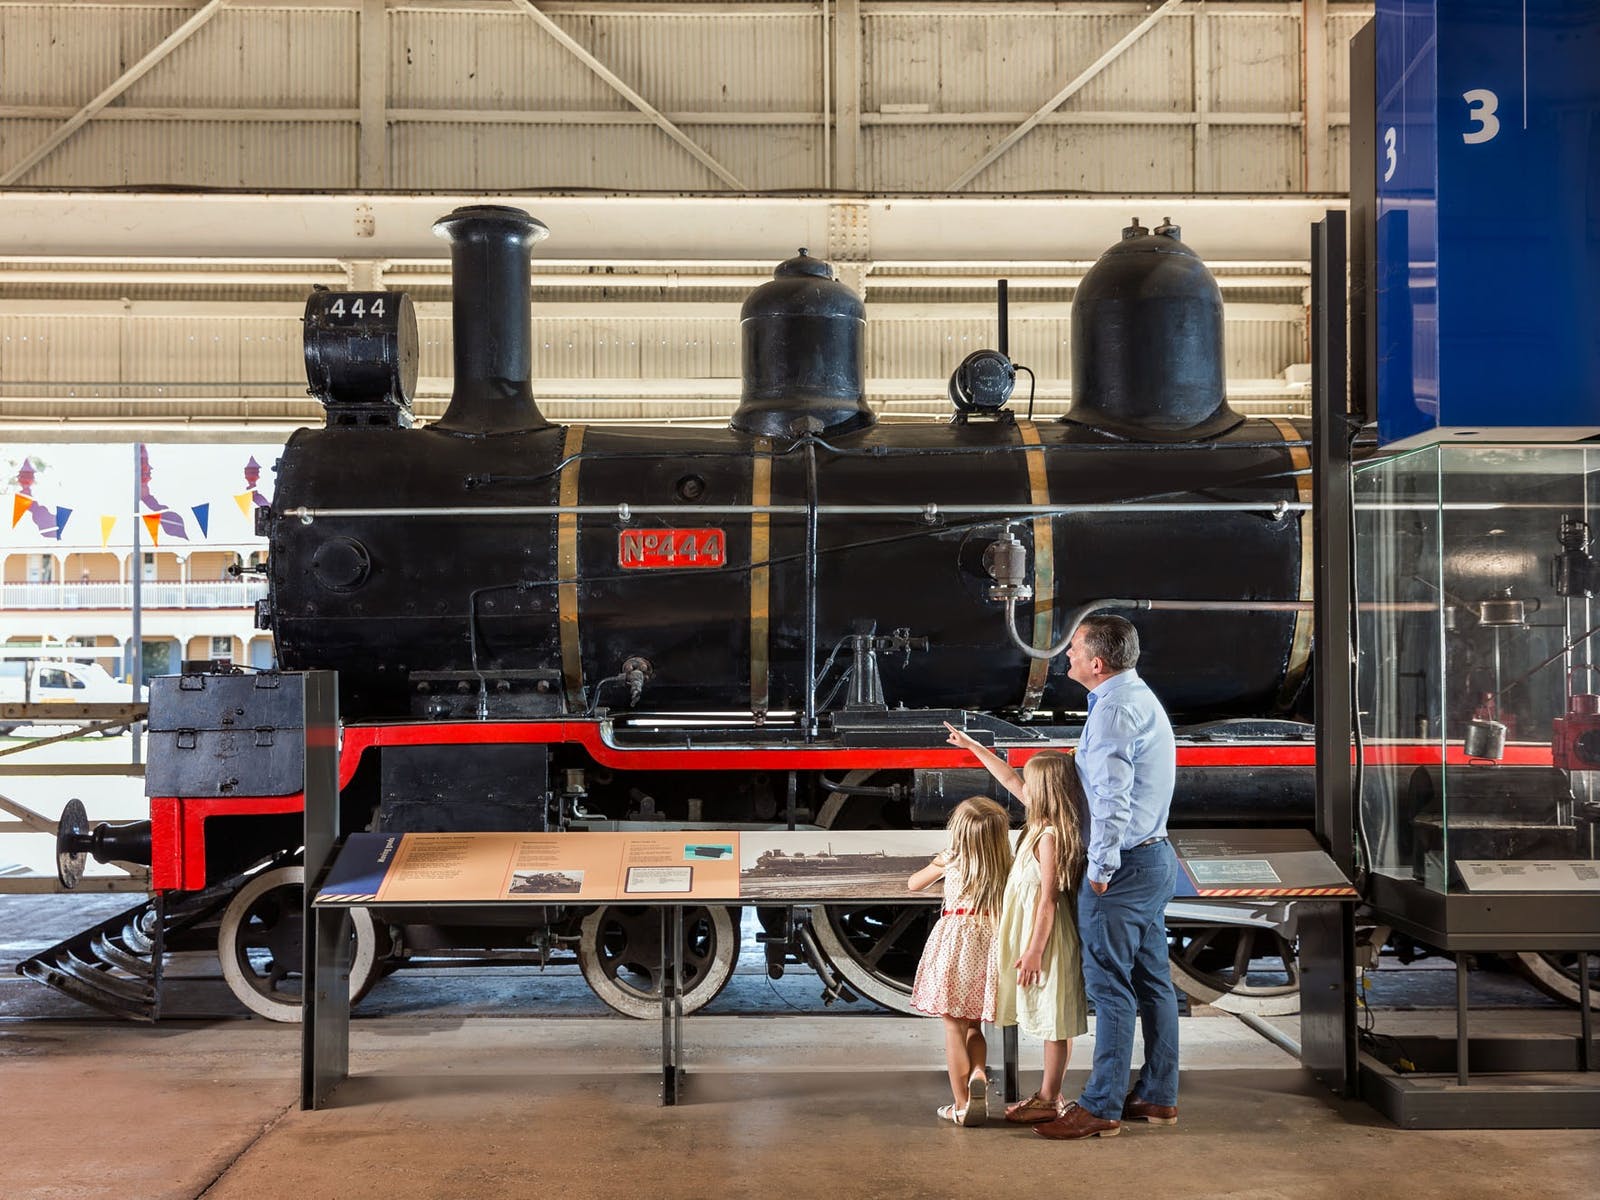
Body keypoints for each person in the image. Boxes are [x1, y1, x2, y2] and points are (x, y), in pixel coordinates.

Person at [1034, 613, 1180, 1141]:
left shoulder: (1114, 710)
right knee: (1153, 984)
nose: (1066, 656)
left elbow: (1111, 799)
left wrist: (1100, 869)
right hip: (1152, 858)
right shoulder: (1132, 696)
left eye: (1073, 649)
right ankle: (1158, 1097)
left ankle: (1101, 1106)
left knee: (1111, 989)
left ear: (1096, 663)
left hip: (1123, 870)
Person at [941, 729, 1089, 1123]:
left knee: (1053, 1018)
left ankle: (1050, 1097)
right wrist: (974, 749)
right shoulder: (1040, 819)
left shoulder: (1051, 836)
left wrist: (1035, 950)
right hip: (1029, 935)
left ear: (1045, 790)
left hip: (1044, 939)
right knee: (1042, 1012)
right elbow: (1007, 778)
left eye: (1030, 780)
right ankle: (1045, 1096)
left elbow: (1048, 899)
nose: (1022, 783)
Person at [907, 796, 1012, 1127]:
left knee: (952, 1025)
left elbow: (913, 884)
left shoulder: (949, 859)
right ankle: (978, 1071)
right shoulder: (1005, 863)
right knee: (974, 1024)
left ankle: (961, 1105)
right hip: (990, 944)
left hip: (955, 944)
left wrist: (939, 863)